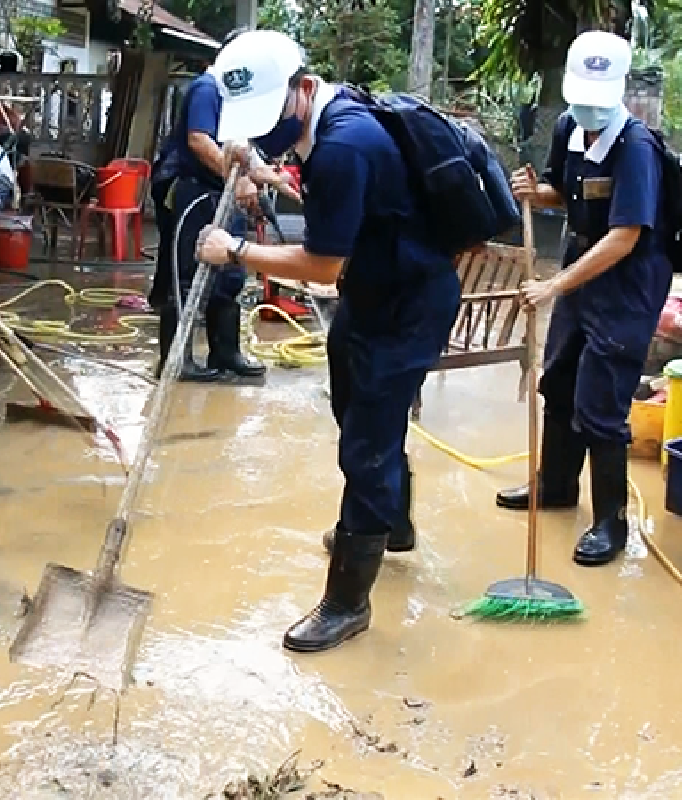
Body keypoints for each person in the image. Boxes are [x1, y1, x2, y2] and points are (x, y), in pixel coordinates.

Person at [196, 30, 461, 652]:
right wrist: (257, 161)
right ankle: (390, 523)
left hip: (406, 303)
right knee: (356, 405)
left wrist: (235, 249)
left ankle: (347, 602)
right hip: (376, 293)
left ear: (303, 89)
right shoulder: (326, 122)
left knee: (366, 441)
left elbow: (321, 266)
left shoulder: (346, 146)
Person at [495, 30, 669, 567]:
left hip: (626, 281)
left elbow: (626, 236)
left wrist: (553, 284)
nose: (587, 108)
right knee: (560, 379)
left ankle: (609, 523)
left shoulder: (636, 148)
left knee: (602, 401)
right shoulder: (570, 127)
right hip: (582, 266)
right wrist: (536, 193)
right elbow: (565, 190)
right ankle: (556, 486)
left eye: (598, 98)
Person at [149, 27, 271, 383]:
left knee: (231, 268)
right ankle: (175, 360)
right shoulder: (208, 87)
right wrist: (240, 179)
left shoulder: (237, 98)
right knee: (186, 272)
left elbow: (242, 147)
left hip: (221, 190)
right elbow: (199, 140)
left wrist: (268, 179)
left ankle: (226, 352)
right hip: (191, 188)